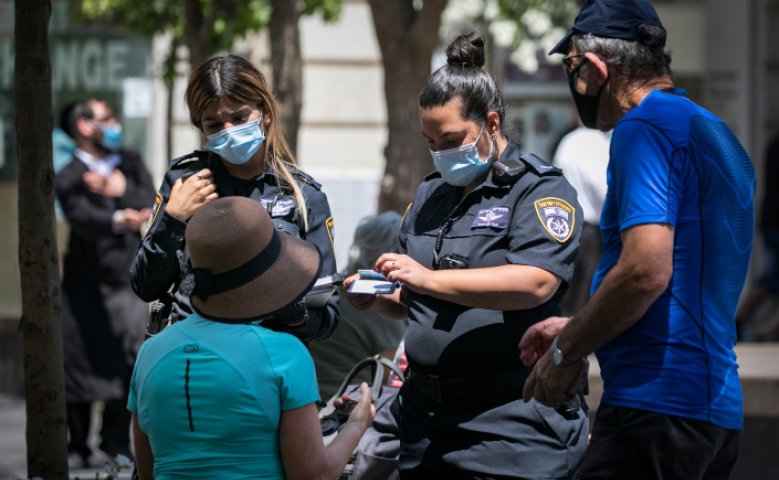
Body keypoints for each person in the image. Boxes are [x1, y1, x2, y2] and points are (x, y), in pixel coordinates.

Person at [519, 1, 756, 479]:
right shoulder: (715, 133)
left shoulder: (643, 128)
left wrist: (566, 352)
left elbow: (647, 270)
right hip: (713, 410)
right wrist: (582, 324)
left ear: (594, 68)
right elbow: (684, 280)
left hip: (655, 408)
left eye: (570, 67)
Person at [344, 33, 588, 479]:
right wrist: (378, 296)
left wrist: (426, 280)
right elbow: (416, 298)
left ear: (491, 124)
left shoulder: (538, 189)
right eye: (430, 142)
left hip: (510, 420)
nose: (439, 152)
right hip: (426, 420)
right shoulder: (430, 194)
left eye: (451, 138)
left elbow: (536, 282)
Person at [128, 196, 375, 479]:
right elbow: (313, 475)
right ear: (271, 277)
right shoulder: (284, 354)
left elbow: (147, 472)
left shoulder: (150, 354)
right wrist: (357, 423)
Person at [130, 54, 338, 341]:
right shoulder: (185, 181)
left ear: (265, 113)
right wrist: (173, 220)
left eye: (239, 118)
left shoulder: (303, 195)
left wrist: (288, 307)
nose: (229, 131)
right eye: (214, 124)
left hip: (265, 359)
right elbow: (144, 285)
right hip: (192, 353)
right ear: (201, 127)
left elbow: (327, 316)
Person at [56, 98, 155, 466]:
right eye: (106, 118)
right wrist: (118, 219)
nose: (114, 124)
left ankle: (114, 443)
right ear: (83, 126)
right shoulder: (68, 175)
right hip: (85, 284)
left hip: (127, 280)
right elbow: (80, 216)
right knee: (78, 364)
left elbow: (150, 197)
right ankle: (78, 445)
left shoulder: (128, 162)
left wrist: (119, 191)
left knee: (128, 360)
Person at [309, 210, 406, 399]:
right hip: (347, 407)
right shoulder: (376, 301)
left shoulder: (337, 290)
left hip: (311, 403)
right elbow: (393, 368)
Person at [736, 98, 779, 339]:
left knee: (771, 278)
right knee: (774, 279)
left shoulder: (776, 143)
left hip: (771, 219)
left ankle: (742, 322)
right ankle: (767, 330)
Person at [551, 124, 611, 315]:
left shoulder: (569, 140)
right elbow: (603, 190)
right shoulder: (595, 142)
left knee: (566, 297)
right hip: (590, 233)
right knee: (584, 300)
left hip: (564, 224)